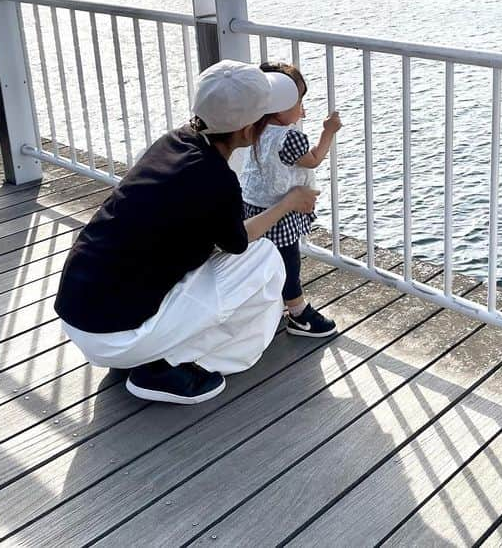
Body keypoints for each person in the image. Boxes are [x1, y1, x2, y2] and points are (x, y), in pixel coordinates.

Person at [54, 60, 319, 405]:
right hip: (115, 336)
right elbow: (240, 242)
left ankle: (147, 353)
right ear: (247, 130)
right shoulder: (215, 179)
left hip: (81, 321)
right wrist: (289, 203)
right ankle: (165, 364)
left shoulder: (172, 142)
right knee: (264, 258)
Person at [240, 62, 342, 337]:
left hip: (254, 204)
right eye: (298, 101)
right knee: (288, 260)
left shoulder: (254, 128)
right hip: (279, 210)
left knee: (263, 258)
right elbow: (313, 160)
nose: (301, 108)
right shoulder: (291, 137)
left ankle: (268, 305)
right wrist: (328, 131)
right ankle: (298, 313)